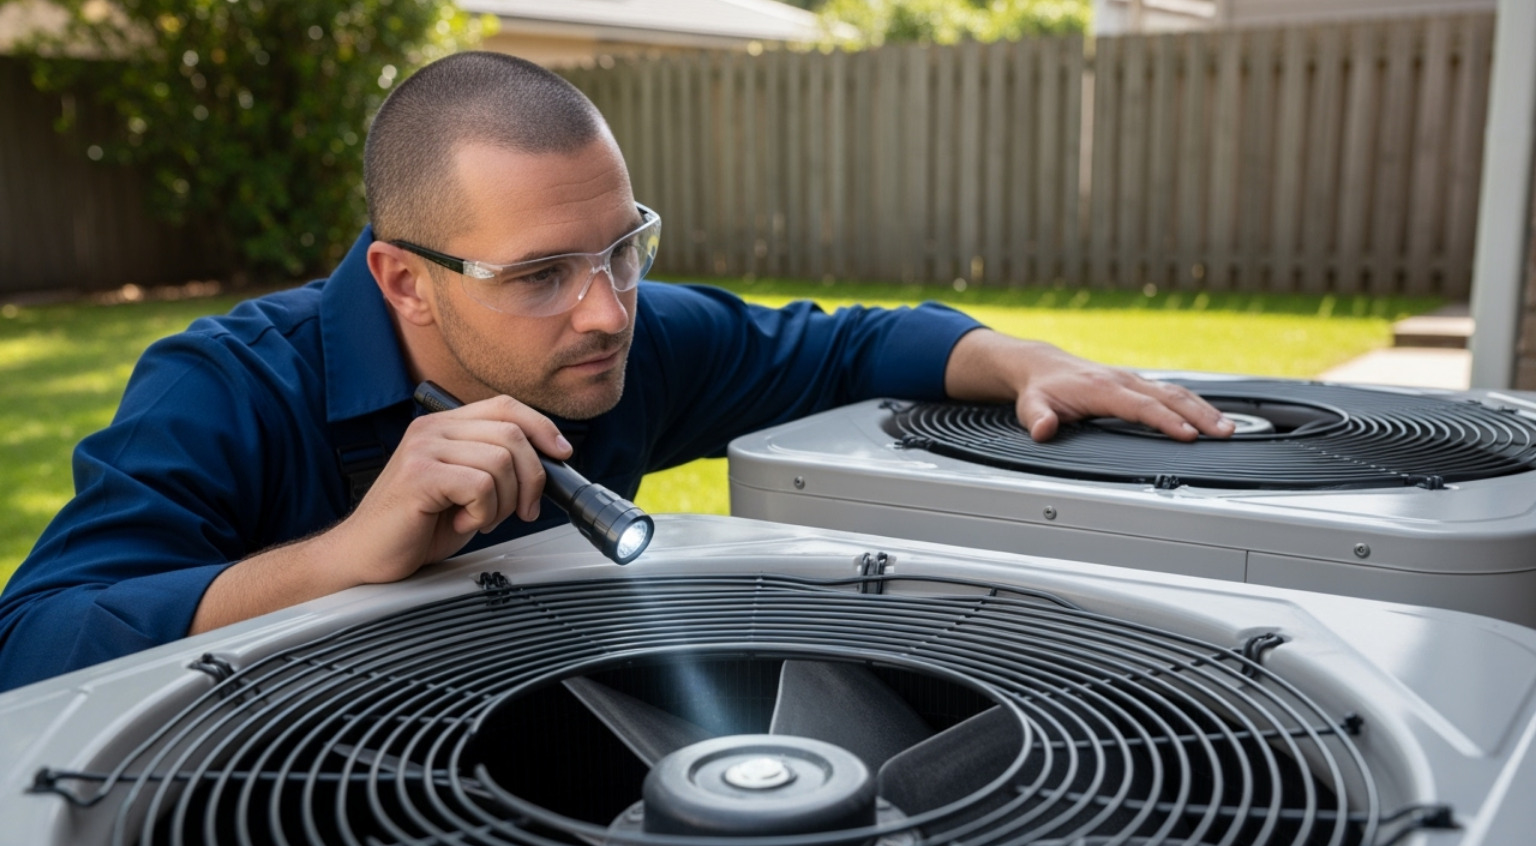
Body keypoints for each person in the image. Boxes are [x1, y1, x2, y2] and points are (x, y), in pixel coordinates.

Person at [0, 52, 1231, 691]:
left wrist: (1025, 359)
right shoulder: (220, 390)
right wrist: (341, 559)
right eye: (539, 274)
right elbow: (35, 643)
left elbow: (847, 341)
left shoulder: (621, 339)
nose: (606, 312)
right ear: (404, 280)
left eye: (624, 248)